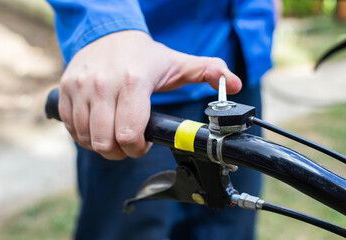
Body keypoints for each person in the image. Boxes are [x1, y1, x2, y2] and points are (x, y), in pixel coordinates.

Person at [46, 0, 276, 239]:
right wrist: (109, 26)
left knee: (230, 227)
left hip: (239, 60)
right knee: (131, 227)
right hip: (137, 86)